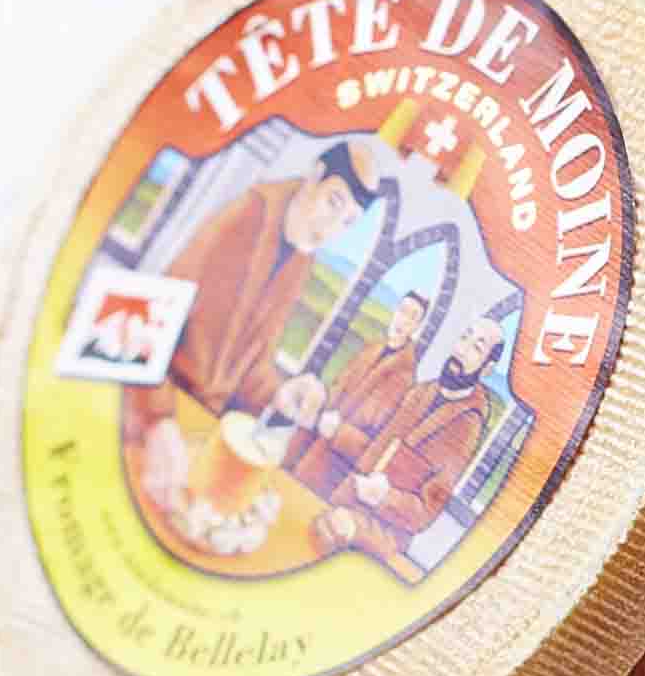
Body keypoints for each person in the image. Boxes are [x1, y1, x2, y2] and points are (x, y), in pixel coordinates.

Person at [165, 145, 370, 430]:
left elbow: (252, 362)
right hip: (165, 395)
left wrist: (280, 396)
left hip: (205, 415)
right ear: (314, 177)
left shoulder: (301, 259)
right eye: (333, 203)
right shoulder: (251, 210)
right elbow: (166, 310)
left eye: (348, 222)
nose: (330, 228)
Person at [316, 302, 515, 570]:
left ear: (487, 369)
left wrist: (384, 497)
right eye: (464, 338)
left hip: (377, 537)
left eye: (476, 348)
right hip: (341, 502)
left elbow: (425, 512)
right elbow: (373, 447)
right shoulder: (420, 392)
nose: (461, 351)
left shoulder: (467, 425)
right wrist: (333, 428)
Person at [290, 286, 432, 513]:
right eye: (402, 311)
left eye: (412, 317)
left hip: (335, 461)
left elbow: (373, 431)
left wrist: (337, 430)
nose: (403, 320)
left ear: (417, 327)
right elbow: (339, 384)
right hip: (315, 435)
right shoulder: (372, 348)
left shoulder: (404, 375)